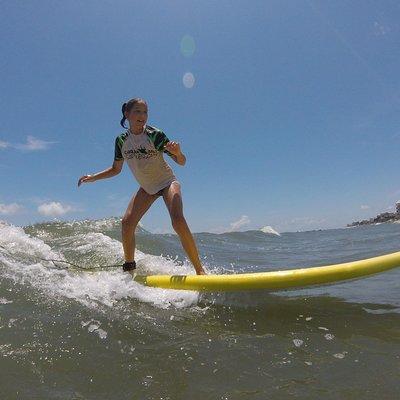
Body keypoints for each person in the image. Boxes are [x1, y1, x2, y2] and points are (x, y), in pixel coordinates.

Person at [78, 97, 207, 275]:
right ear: (127, 114)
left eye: (145, 112)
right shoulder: (121, 141)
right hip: (147, 187)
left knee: (177, 220)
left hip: (167, 182)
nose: (142, 116)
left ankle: (200, 271)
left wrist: (178, 152)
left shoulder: (155, 135)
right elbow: (116, 169)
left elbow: (181, 162)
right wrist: (93, 177)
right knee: (127, 223)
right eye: (137, 111)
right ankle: (129, 269)